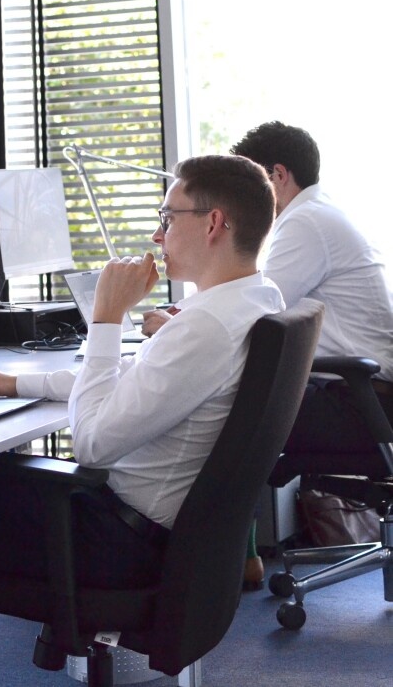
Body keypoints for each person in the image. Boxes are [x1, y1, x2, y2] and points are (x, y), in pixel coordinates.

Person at [0, 154, 284, 591]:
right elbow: (128, 376)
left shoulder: (204, 327)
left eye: (168, 218)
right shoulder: (256, 298)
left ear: (213, 223)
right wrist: (16, 383)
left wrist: (106, 318)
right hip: (147, 527)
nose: (157, 235)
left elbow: (92, 445)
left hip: (120, 539)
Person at [143, 122, 393, 585]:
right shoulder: (319, 213)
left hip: (358, 402)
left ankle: (217, 560)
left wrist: (177, 322)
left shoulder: (305, 222)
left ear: (278, 175)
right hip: (361, 395)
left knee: (218, 407)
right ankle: (235, 557)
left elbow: (255, 309)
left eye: (254, 180)